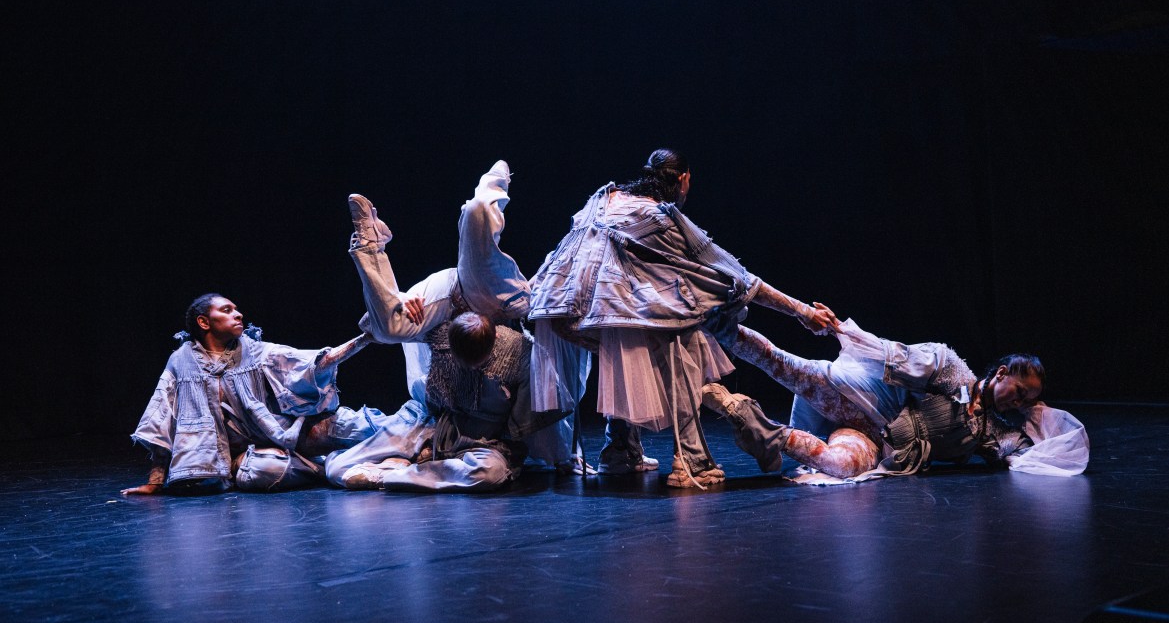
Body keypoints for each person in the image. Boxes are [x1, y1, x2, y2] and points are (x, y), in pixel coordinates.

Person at [526, 148, 838, 488]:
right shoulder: (663, 217)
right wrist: (803, 311)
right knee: (685, 345)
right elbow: (739, 277)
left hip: (561, 312)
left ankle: (619, 451)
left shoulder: (603, 199)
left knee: (629, 351)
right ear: (683, 179)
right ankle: (691, 463)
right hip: (601, 311)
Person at [323, 161, 579, 490]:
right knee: (390, 328)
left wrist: (560, 457)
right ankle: (372, 245)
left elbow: (542, 399)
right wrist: (401, 299)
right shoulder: (437, 331)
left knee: (476, 216)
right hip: (451, 293)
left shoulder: (516, 348)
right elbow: (378, 326)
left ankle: (493, 181)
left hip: (486, 297)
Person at [700, 319, 1089, 482]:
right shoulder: (954, 372)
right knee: (783, 365)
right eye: (1019, 393)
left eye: (1027, 401)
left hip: (883, 444)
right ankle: (716, 320)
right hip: (868, 404)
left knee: (840, 467)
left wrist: (1036, 412)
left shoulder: (993, 434)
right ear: (1001, 374)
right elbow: (895, 355)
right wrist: (841, 330)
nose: (1017, 404)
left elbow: (1035, 452)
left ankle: (744, 415)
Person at [124, 294, 372, 496]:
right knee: (264, 471)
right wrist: (156, 481)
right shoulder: (181, 361)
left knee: (355, 426)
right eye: (227, 310)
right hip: (237, 458)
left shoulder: (255, 350)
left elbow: (314, 363)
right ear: (204, 322)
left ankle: (405, 445)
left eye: (236, 309)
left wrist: (366, 338)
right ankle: (325, 467)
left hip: (283, 432)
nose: (238, 314)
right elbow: (162, 418)